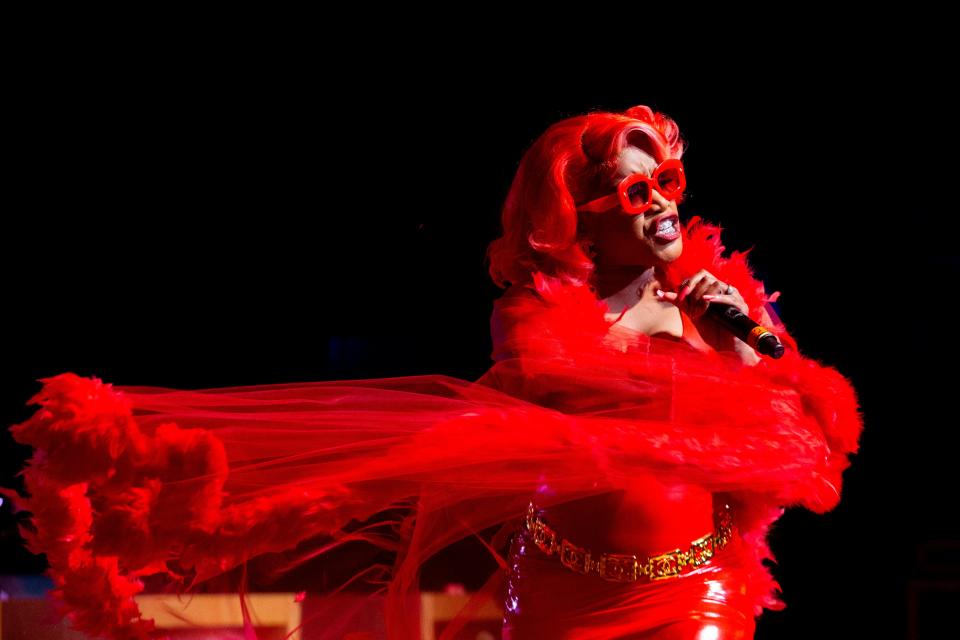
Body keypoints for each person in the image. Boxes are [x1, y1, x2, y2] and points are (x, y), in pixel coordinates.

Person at [1, 104, 863, 640]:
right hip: (565, 596)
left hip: (696, 590)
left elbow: (804, 455)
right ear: (577, 223)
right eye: (635, 192)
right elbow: (580, 404)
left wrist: (742, 346)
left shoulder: (727, 311)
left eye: (667, 180)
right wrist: (699, 364)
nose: (666, 201)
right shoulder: (534, 319)